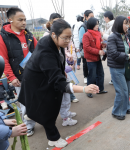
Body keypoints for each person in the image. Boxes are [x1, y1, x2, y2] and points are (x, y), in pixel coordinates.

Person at [18, 19, 99, 148]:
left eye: (70, 38)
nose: (68, 41)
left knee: (47, 106)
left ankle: (32, 113)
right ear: (54, 34)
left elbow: (57, 64)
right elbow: (59, 83)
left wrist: (61, 71)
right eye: (65, 38)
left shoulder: (54, 42)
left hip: (43, 79)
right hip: (37, 82)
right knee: (48, 110)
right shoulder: (46, 52)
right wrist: (84, 89)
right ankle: (53, 138)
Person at [0, 7, 37, 137]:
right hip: (19, 78)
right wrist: (11, 77)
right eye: (20, 20)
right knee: (25, 103)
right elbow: (3, 59)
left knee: (38, 99)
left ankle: (42, 119)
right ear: (10, 20)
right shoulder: (3, 37)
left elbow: (38, 52)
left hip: (34, 74)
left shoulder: (29, 35)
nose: (24, 22)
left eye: (25, 20)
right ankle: (28, 126)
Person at [107, 16, 130, 120]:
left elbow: (128, 50)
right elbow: (113, 53)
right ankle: (117, 112)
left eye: (128, 24)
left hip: (124, 65)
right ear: (118, 24)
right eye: (125, 24)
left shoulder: (125, 36)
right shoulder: (112, 37)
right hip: (116, 67)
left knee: (126, 89)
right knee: (121, 90)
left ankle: (125, 107)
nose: (127, 26)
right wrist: (127, 56)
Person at [83, 17, 108, 98]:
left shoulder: (98, 33)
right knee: (92, 76)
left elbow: (99, 44)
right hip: (91, 59)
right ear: (91, 25)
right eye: (96, 24)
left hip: (97, 58)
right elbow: (86, 47)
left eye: (98, 24)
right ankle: (89, 91)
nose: (97, 26)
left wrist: (103, 45)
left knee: (100, 74)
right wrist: (98, 51)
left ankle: (100, 89)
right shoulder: (86, 35)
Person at [79, 10, 94, 84]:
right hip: (85, 48)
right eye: (91, 17)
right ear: (85, 16)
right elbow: (81, 39)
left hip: (92, 48)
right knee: (85, 63)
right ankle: (85, 76)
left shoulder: (92, 26)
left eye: (93, 17)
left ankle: (91, 77)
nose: (92, 18)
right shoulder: (83, 26)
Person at [101, 11, 115, 85]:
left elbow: (112, 38)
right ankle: (113, 79)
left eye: (104, 17)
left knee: (112, 64)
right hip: (110, 47)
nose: (104, 19)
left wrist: (103, 35)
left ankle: (114, 79)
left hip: (112, 48)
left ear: (107, 17)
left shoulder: (112, 25)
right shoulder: (109, 25)